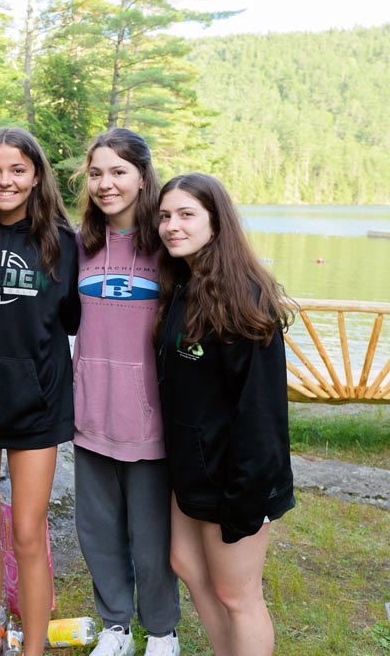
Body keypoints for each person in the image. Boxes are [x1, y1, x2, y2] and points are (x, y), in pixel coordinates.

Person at [0, 127, 80, 656]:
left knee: (27, 529)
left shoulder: (63, 244)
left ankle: (35, 647)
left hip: (37, 406)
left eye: (17, 170)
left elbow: (69, 320)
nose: (5, 180)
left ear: (36, 175)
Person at [154, 173, 296, 656]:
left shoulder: (246, 300)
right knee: (187, 566)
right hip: (193, 467)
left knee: (239, 595)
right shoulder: (185, 287)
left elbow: (262, 416)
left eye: (187, 214)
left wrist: (246, 501)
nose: (172, 226)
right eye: (166, 215)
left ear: (217, 222)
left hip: (237, 478)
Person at [71, 129, 180, 656]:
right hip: (91, 414)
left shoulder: (169, 246)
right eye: (96, 173)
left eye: (118, 172)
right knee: (97, 529)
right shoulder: (80, 246)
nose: (106, 183)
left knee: (153, 537)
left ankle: (161, 631)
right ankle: (114, 625)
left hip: (151, 419)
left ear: (142, 175)